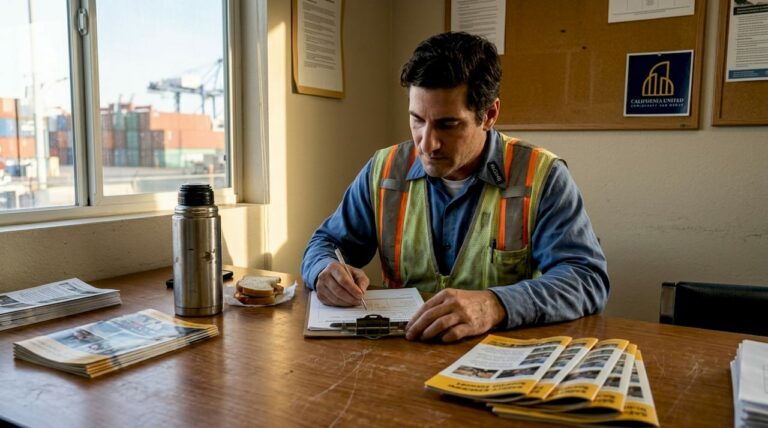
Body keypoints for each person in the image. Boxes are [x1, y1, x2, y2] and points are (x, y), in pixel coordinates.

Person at [301, 32, 609, 343]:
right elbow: (325, 242)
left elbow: (586, 279)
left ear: (489, 115)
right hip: (399, 353)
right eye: (417, 120)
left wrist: (495, 304)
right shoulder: (384, 170)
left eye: (447, 125)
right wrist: (324, 270)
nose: (427, 143)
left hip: (498, 356)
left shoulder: (542, 176)